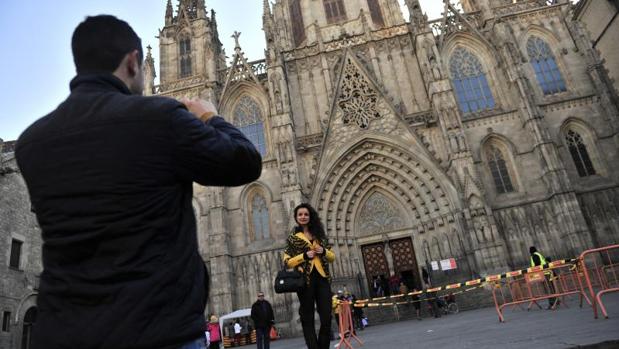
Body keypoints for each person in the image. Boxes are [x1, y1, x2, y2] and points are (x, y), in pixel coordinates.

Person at [14, 15, 262, 349]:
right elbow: (245, 162)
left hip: (64, 333)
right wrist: (209, 116)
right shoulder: (159, 117)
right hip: (157, 330)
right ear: (134, 62)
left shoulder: (32, 143)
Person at [283, 203, 335, 349]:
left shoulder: (319, 235)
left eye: (306, 214)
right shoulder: (293, 238)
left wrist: (323, 251)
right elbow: (287, 262)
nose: (303, 217)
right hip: (305, 281)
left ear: (310, 216)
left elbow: (332, 257)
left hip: (322, 279)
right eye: (300, 214)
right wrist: (304, 256)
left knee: (326, 317)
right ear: (296, 217)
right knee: (308, 318)